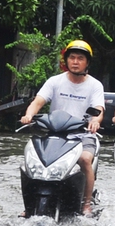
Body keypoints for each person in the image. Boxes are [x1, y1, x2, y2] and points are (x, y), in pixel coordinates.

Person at [18, 39, 106, 214]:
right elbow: (38, 101)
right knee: (31, 160)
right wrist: (28, 115)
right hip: (54, 133)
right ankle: (29, 207)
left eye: (80, 58)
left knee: (85, 159)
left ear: (87, 62)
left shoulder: (95, 85)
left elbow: (98, 109)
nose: (75, 61)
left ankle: (86, 203)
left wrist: (95, 121)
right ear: (66, 61)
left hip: (83, 133)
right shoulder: (55, 81)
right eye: (72, 57)